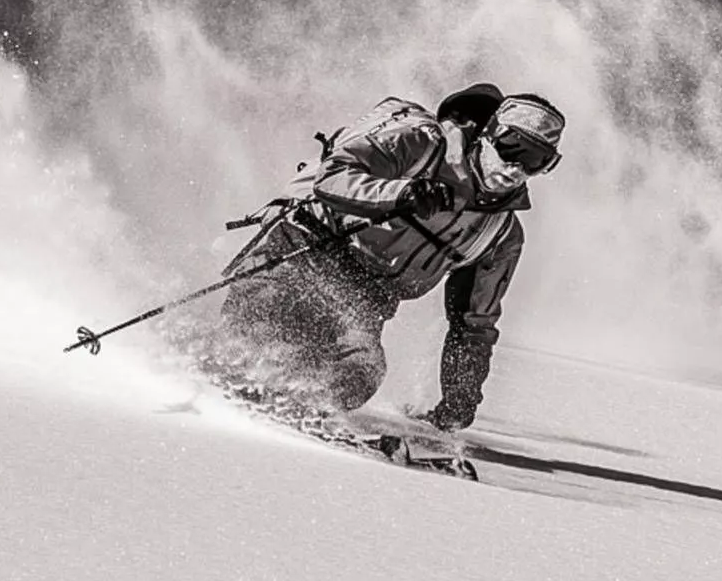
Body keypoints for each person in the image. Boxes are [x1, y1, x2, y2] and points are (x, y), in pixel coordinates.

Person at [207, 83, 565, 431]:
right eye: (511, 146)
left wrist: (459, 402)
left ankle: (296, 408)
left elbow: (474, 325)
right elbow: (334, 176)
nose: (516, 168)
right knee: (256, 336)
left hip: (361, 300)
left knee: (362, 372)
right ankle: (206, 373)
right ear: (488, 132)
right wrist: (402, 193)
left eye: (536, 161)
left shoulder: (498, 234)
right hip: (299, 252)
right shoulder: (420, 143)